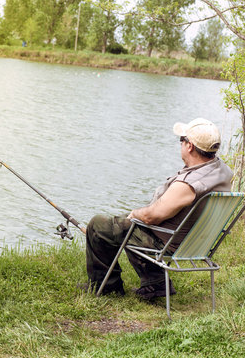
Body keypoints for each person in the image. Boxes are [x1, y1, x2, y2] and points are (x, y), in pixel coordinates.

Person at [82, 118, 233, 298]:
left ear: (190, 146)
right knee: (119, 222)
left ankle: (107, 286)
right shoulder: (221, 171)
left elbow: (151, 217)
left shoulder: (188, 185)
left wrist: (134, 214)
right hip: (195, 242)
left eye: (182, 141)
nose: (181, 145)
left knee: (99, 225)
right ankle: (155, 283)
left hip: (169, 243)